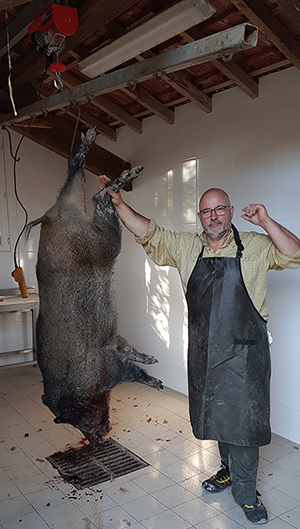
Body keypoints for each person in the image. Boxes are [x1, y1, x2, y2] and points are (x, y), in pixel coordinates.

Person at [99, 176, 300, 524]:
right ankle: (226, 470)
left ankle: (246, 492)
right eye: (206, 211)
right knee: (218, 416)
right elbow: (149, 232)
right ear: (199, 217)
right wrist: (118, 204)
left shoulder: (253, 244)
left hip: (246, 356)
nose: (214, 216)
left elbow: (294, 253)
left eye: (220, 208)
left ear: (231, 211)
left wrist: (266, 220)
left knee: (244, 425)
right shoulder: (188, 247)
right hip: (206, 353)